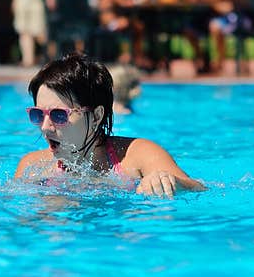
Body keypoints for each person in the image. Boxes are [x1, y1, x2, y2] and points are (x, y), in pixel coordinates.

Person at [14, 53, 204, 197]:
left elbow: (199, 188)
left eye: (58, 115)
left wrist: (169, 182)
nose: (45, 127)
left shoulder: (137, 157)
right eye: (38, 114)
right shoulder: (32, 167)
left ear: (96, 116)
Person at [98, 0, 149, 67]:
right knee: (132, 25)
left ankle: (134, 56)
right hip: (109, 24)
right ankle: (129, 56)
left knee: (137, 26)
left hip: (112, 22)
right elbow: (123, 3)